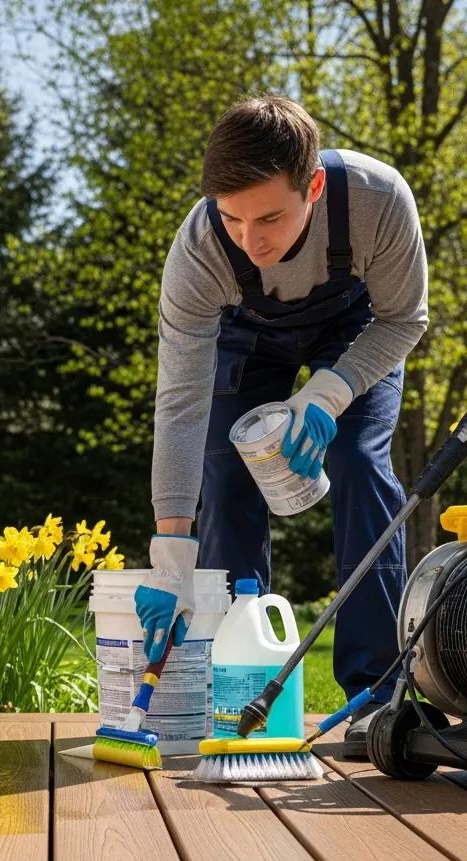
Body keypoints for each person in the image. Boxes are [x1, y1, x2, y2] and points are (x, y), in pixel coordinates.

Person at [135, 95, 428, 759]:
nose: (251, 239)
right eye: (232, 217)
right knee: (227, 470)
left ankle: (376, 697)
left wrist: (326, 395)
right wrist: (172, 557)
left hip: (361, 334)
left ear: (313, 186)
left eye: (269, 216)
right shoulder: (201, 250)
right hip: (246, 335)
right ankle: (238, 692)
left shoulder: (379, 201)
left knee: (359, 461)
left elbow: (405, 320)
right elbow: (181, 402)